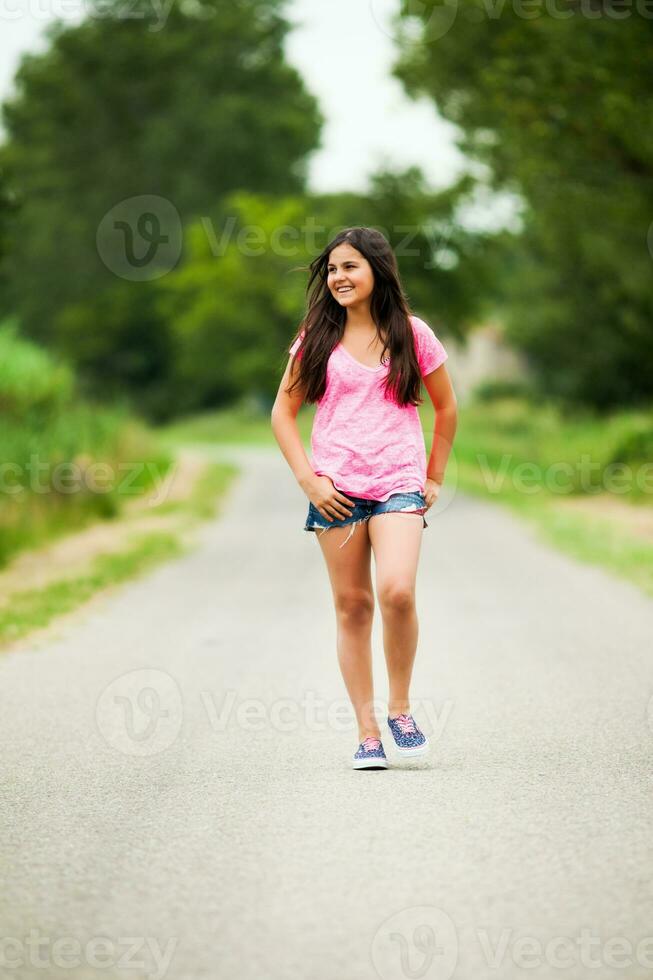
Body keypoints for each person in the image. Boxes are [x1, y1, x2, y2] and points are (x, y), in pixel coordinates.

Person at [271, 226, 458, 771]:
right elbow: (282, 413)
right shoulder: (317, 338)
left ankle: (400, 709)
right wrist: (310, 480)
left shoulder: (413, 334)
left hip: (399, 482)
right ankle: (367, 731)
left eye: (350, 266)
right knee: (353, 606)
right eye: (331, 269)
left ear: (378, 269)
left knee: (397, 592)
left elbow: (446, 408)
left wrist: (435, 475)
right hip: (335, 491)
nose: (338, 277)